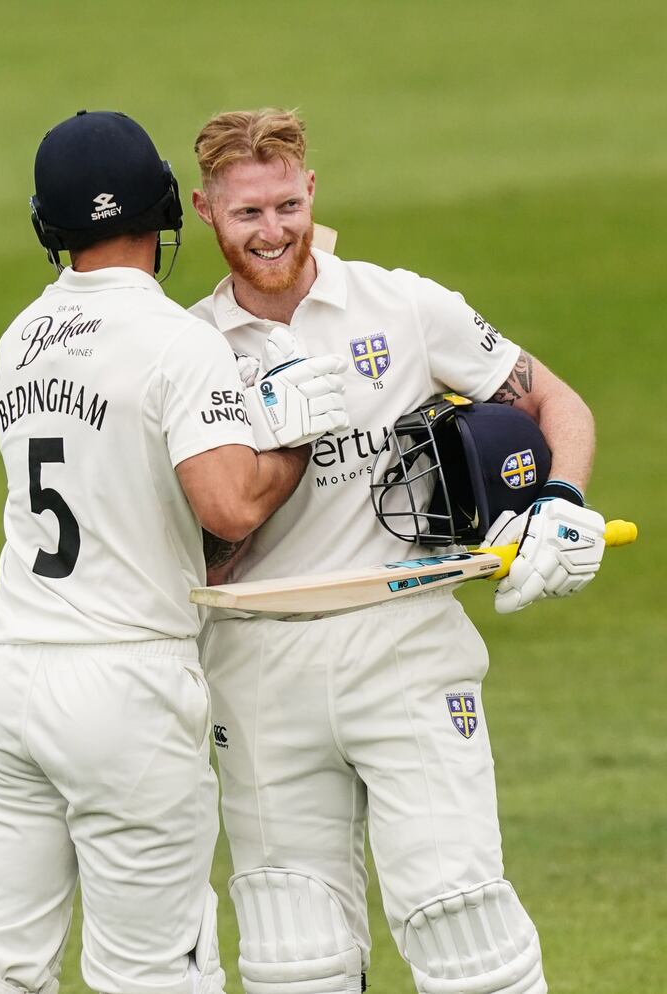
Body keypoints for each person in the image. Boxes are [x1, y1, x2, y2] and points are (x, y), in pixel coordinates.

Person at [0, 109, 350, 994]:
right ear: (166, 209)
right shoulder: (176, 340)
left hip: (11, 679)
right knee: (153, 973)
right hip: (127, 685)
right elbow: (229, 506)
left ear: (49, 227)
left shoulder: (17, 342)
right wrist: (299, 433)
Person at [188, 108, 607, 994]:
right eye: (247, 214)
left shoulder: (402, 305)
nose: (273, 232)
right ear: (203, 211)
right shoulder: (187, 351)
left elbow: (559, 405)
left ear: (312, 193)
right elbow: (196, 550)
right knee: (292, 960)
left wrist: (561, 504)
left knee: (467, 934)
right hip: (260, 667)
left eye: (286, 206)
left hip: (408, 645)